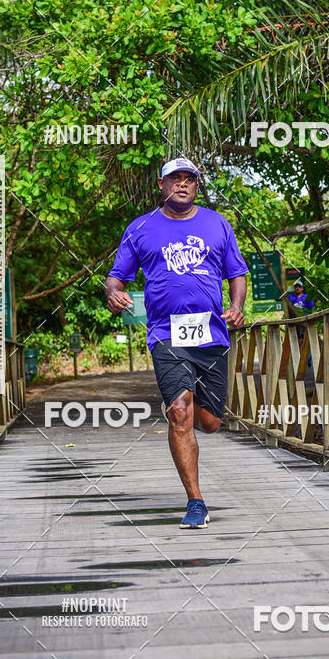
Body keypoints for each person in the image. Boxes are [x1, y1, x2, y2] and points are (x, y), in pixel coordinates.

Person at [105, 156, 248, 529]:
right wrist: (113, 293)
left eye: (190, 178)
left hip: (211, 333)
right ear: (161, 184)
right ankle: (195, 501)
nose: (183, 183)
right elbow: (116, 278)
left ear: (196, 186)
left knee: (210, 422)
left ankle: (192, 399)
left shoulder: (217, 223)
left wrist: (237, 307)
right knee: (180, 413)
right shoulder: (141, 228)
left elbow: (237, 273)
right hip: (166, 334)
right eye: (175, 178)